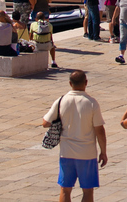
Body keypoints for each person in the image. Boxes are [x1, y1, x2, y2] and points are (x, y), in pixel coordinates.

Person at [42, 70, 107, 202]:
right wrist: (103, 152)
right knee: (88, 191)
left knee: (65, 189)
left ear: (70, 83)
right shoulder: (92, 103)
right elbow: (99, 130)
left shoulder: (61, 101)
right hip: (87, 153)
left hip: (66, 152)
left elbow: (45, 123)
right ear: (86, 83)